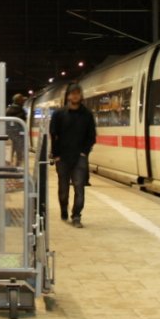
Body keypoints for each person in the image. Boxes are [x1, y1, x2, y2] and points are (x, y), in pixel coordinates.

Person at [49, 83, 96, 228]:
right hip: (62, 157)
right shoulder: (58, 114)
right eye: (72, 93)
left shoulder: (87, 115)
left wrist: (84, 153)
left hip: (79, 157)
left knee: (79, 187)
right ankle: (64, 208)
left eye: (78, 93)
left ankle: (76, 216)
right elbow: (53, 134)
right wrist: (55, 154)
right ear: (68, 96)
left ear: (81, 96)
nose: (75, 96)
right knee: (63, 189)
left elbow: (91, 136)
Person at [6, 93, 27, 165]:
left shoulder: (8, 109)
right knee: (19, 151)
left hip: (9, 134)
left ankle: (8, 164)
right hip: (19, 134)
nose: (23, 101)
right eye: (22, 100)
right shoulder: (20, 110)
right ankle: (18, 165)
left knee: (10, 151)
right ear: (18, 101)